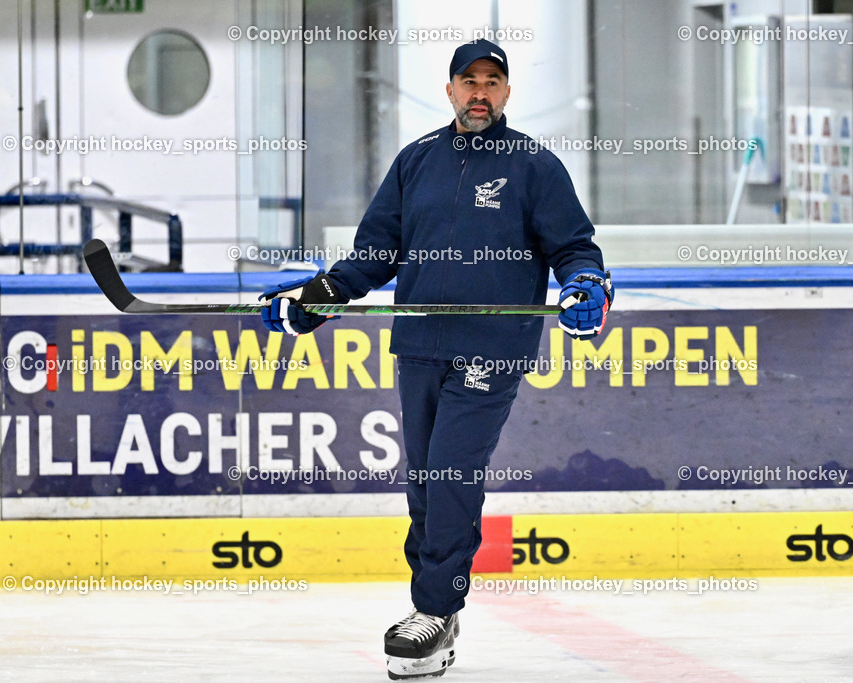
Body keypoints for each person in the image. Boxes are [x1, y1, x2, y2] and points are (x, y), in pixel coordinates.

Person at [259, 39, 612, 680]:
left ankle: (433, 609)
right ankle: (437, 608)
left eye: (492, 81)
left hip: (490, 350)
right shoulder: (415, 161)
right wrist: (317, 297)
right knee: (424, 479)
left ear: (506, 93)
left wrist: (586, 287)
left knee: (451, 472)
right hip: (419, 346)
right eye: (468, 80)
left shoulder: (534, 165)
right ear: (449, 89)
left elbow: (575, 248)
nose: (480, 91)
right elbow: (374, 254)